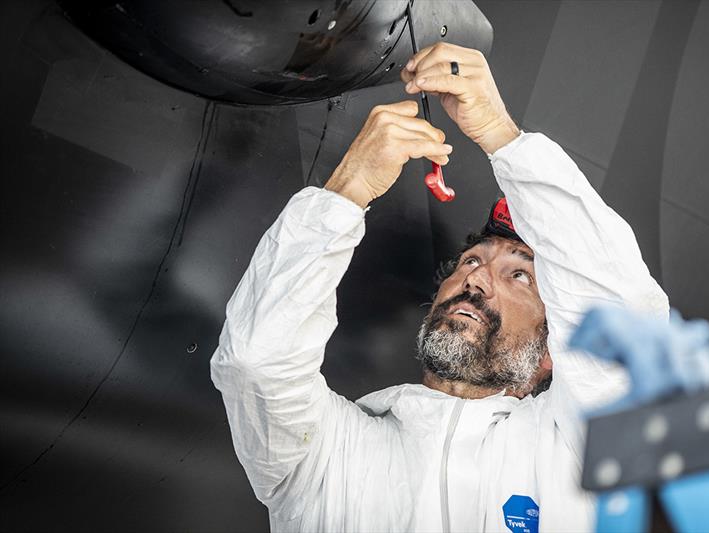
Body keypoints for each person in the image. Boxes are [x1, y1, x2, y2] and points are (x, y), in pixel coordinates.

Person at [210, 43, 668, 532]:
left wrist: (500, 136)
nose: (476, 276)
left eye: (519, 274)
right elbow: (256, 362)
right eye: (471, 260)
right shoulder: (328, 455)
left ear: (554, 350)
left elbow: (623, 317)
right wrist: (350, 188)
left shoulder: (581, 455)